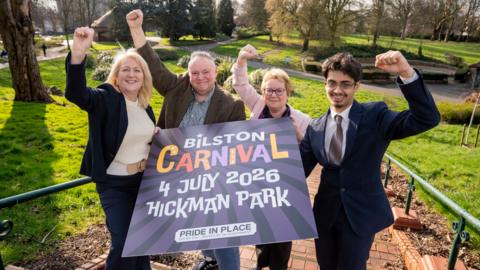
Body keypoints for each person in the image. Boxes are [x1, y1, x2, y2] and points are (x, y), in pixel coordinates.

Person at [126, 9, 246, 270]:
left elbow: (237, 147)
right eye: (195, 73)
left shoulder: (231, 105)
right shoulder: (176, 87)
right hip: (175, 173)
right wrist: (137, 30)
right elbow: (153, 65)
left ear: (216, 73)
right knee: (197, 222)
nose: (200, 78)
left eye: (206, 72)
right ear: (188, 74)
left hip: (210, 176)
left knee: (222, 229)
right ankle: (210, 259)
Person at [300, 51, 440, 270]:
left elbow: (427, 118)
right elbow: (297, 171)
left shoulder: (376, 115)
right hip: (325, 216)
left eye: (345, 84)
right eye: (332, 83)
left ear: (357, 86)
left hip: (360, 217)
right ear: (325, 83)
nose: (337, 90)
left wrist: (406, 72)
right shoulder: (315, 127)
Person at [65, 27, 155, 270]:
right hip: (115, 185)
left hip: (143, 183)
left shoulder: (144, 105)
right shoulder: (107, 97)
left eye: (137, 70)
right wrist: (78, 54)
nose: (131, 74)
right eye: (125, 69)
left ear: (144, 76)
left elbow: (138, 136)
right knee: (125, 243)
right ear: (116, 75)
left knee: (143, 242)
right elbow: (76, 94)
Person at [232, 44, 311, 270]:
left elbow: (310, 155)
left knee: (283, 236)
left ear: (288, 92)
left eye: (278, 90)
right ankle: (261, 263)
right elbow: (240, 84)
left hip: (286, 188)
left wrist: (298, 137)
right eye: (269, 90)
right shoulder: (258, 107)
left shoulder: (302, 120)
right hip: (258, 184)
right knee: (262, 233)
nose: (273, 95)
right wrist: (241, 60)